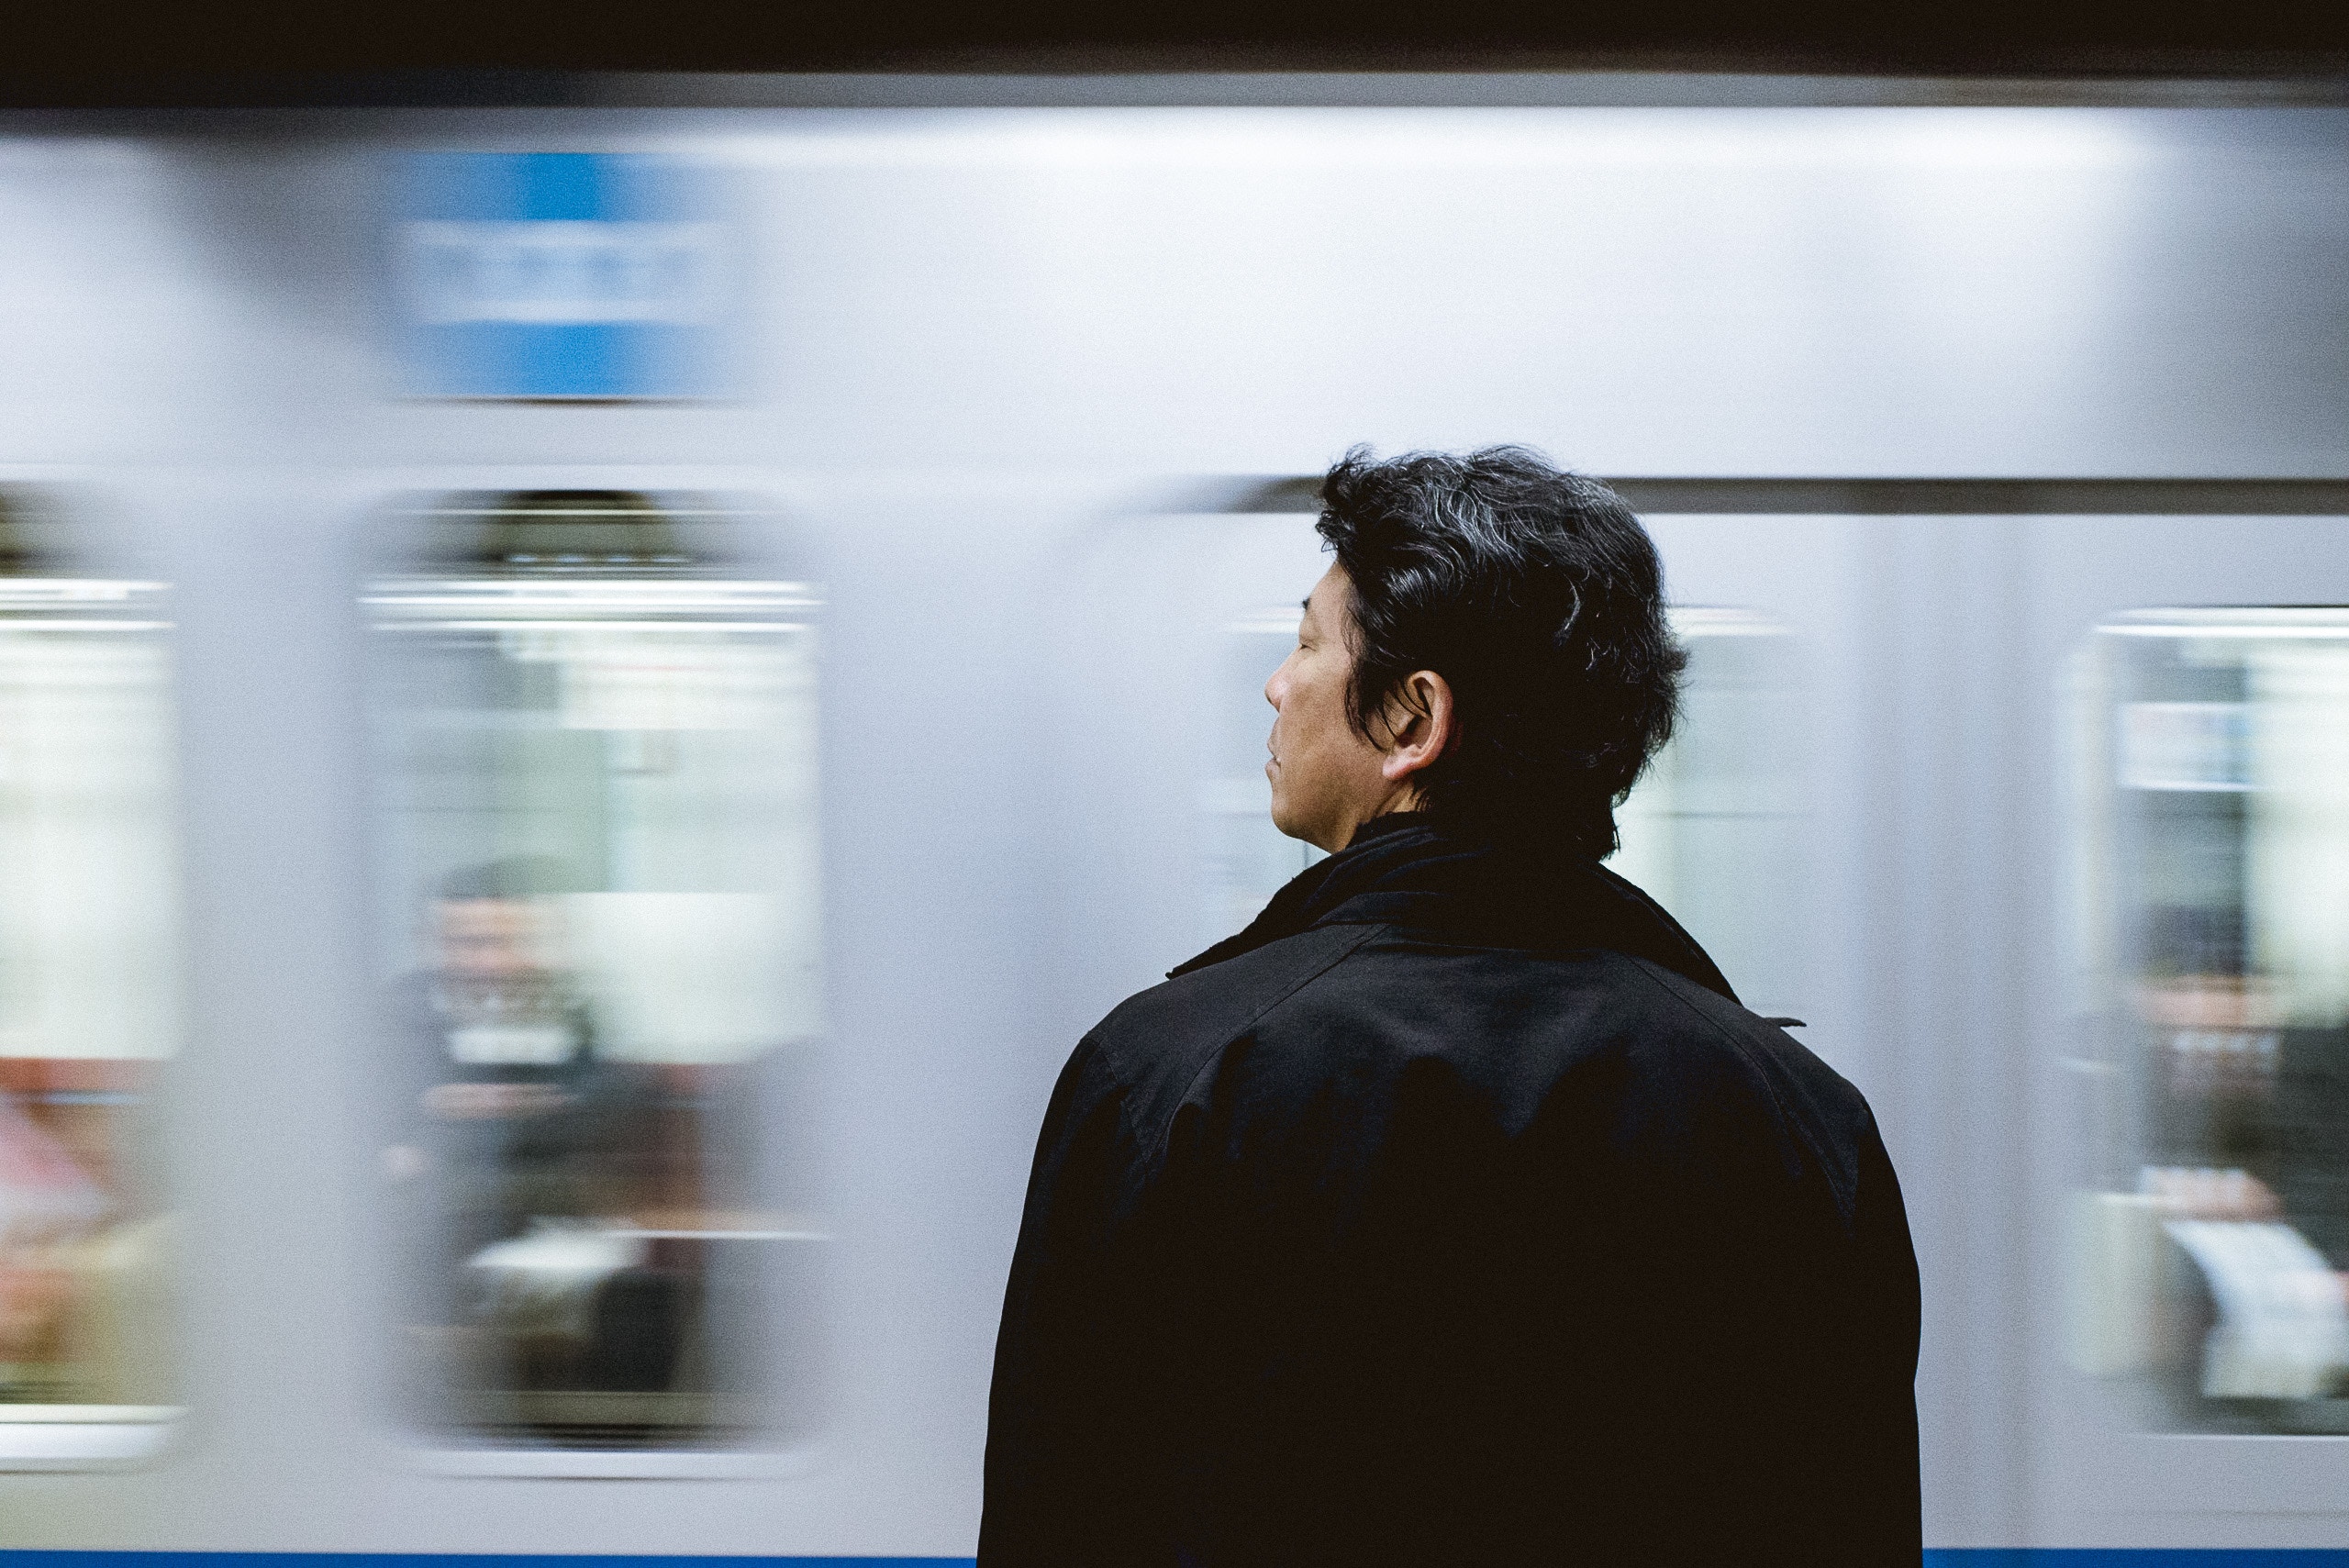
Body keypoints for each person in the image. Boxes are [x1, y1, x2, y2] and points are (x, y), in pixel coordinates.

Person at [981, 447, 1920, 1565]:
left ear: (1413, 718)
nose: (1278, 683)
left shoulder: (1170, 1077)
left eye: (1308, 642)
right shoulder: (1799, 1118)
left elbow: (1067, 1514)